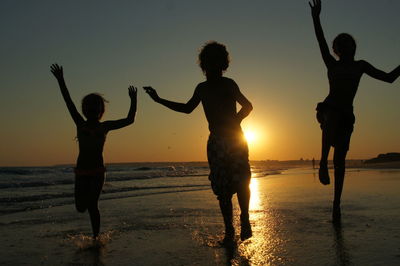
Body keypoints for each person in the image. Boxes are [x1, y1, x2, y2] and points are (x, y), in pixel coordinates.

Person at [143, 41, 253, 242]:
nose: (213, 67)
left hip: (236, 139)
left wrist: (236, 119)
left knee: (242, 181)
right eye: (209, 63)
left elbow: (248, 106)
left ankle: (244, 218)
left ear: (223, 65)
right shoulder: (201, 88)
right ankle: (229, 231)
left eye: (217, 63)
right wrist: (159, 100)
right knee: (223, 188)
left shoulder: (229, 83)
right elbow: (187, 108)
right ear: (204, 65)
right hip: (216, 142)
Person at [309, 0, 400, 221]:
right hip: (329, 109)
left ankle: (336, 205)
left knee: (340, 162)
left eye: (348, 42)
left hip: (347, 115)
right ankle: (322, 163)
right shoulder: (332, 64)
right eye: (341, 43)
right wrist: (316, 17)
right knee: (331, 117)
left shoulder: (361, 65)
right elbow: (320, 41)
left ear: (354, 46)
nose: (345, 45)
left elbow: (388, 78)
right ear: (337, 49)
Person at [50, 64, 137, 238]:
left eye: (96, 107)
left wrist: (133, 99)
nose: (92, 110)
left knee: (92, 205)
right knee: (80, 207)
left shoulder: (105, 126)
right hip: (81, 170)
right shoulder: (80, 123)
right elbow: (68, 101)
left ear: (101, 111)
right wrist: (60, 80)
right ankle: (94, 233)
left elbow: (129, 120)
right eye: (89, 107)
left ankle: (96, 238)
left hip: (98, 170)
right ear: (84, 110)